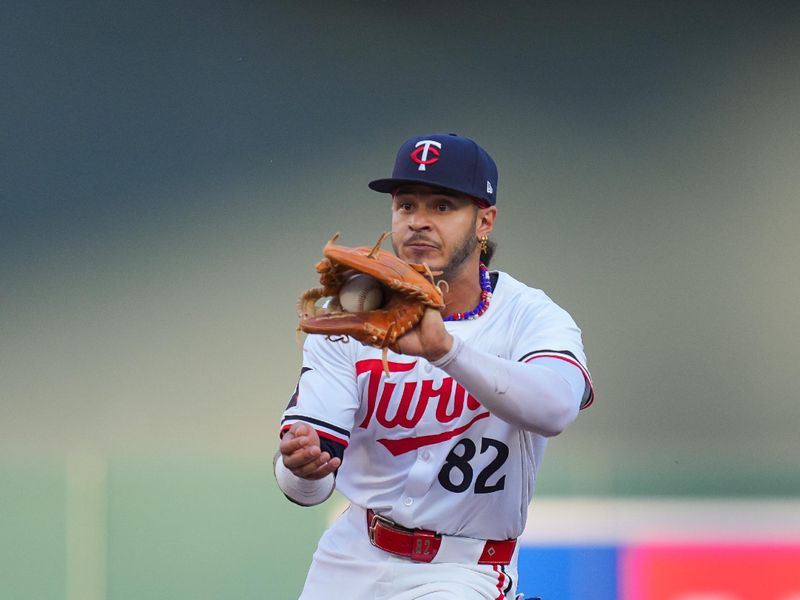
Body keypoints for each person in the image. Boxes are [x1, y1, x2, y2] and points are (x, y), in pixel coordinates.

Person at [275, 133, 593, 600]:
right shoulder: (352, 319)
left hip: (462, 570)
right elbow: (309, 489)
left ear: (484, 221)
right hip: (350, 555)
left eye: (441, 206)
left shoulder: (531, 316)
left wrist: (447, 351)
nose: (418, 222)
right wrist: (302, 466)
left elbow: (557, 408)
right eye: (406, 206)